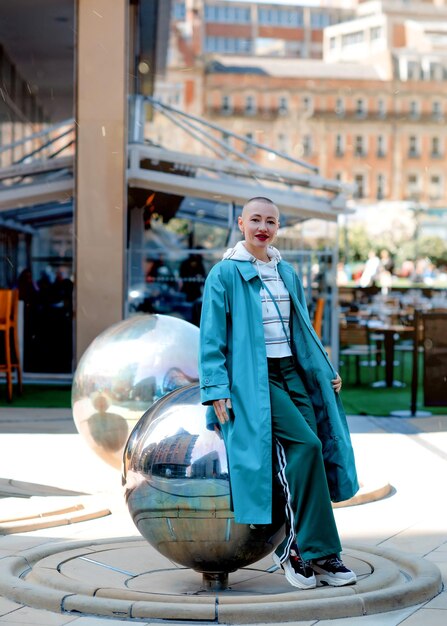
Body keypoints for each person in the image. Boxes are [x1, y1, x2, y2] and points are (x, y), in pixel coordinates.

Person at [199, 197, 358, 590]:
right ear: (241, 223)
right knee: (304, 446)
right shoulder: (224, 274)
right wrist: (216, 388)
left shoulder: (286, 271)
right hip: (255, 378)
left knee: (316, 449)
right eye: (255, 220)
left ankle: (321, 553)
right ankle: (294, 550)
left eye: (270, 221)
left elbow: (301, 326)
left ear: (278, 227)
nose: (262, 227)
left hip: (293, 371)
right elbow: (212, 338)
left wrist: (324, 370)